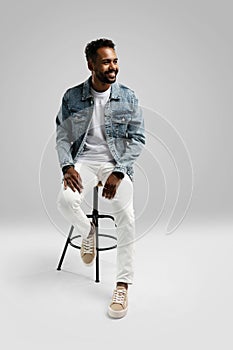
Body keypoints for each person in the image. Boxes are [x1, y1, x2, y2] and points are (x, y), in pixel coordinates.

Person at [56, 38, 145, 318]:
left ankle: (122, 284)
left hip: (114, 164)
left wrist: (119, 171)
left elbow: (138, 138)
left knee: (126, 217)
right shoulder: (72, 96)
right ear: (91, 64)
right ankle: (89, 232)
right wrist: (67, 166)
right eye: (106, 61)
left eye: (115, 61)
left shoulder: (128, 97)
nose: (113, 67)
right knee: (65, 201)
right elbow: (62, 135)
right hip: (83, 161)